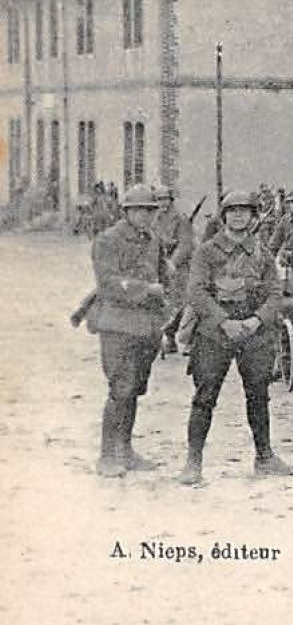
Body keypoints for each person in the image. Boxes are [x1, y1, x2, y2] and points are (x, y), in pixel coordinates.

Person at [181, 189, 293, 484]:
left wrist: (257, 320)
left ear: (253, 216)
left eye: (244, 211)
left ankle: (265, 457)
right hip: (214, 332)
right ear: (223, 216)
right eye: (232, 211)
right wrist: (224, 322)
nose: (238, 215)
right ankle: (193, 462)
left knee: (258, 395)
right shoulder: (207, 251)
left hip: (253, 333)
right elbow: (195, 291)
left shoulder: (262, 253)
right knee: (204, 397)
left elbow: (274, 292)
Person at [89, 184, 170, 477]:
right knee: (119, 389)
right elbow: (108, 282)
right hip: (117, 324)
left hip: (146, 326)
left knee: (134, 389)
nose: (144, 216)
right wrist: (147, 289)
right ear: (126, 211)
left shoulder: (153, 240)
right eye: (138, 210)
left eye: (149, 211)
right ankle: (107, 456)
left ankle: (126, 450)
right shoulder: (107, 240)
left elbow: (163, 274)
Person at [151, 185, 195, 355]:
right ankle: (168, 338)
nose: (162, 203)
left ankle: (184, 338)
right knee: (162, 304)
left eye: (165, 199)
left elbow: (185, 245)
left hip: (179, 269)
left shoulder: (181, 220)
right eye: (159, 199)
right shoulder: (154, 220)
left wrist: (173, 263)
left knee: (181, 304)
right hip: (159, 267)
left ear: (171, 201)